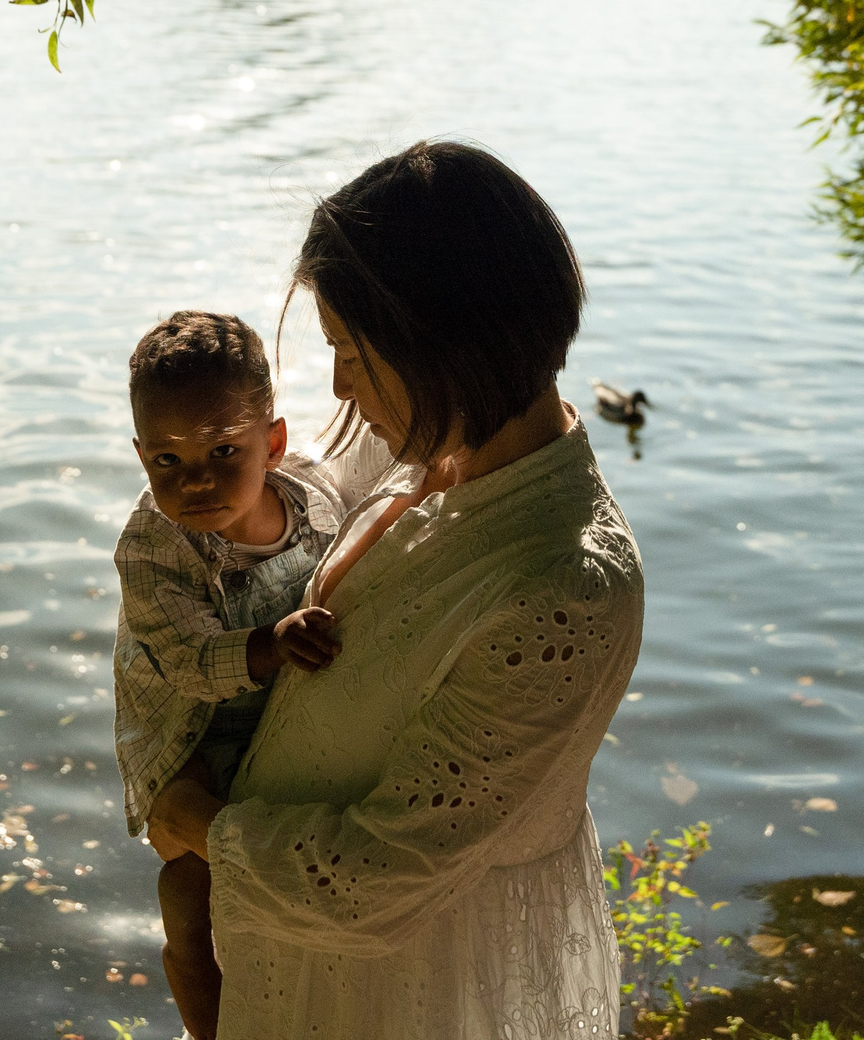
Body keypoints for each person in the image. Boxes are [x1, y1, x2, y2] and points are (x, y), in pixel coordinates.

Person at [143, 142, 645, 1039]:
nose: (337, 384)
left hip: (406, 988)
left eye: (350, 350)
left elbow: (378, 881)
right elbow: (263, 503)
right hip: (306, 959)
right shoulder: (427, 447)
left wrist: (203, 824)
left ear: (441, 343)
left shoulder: (565, 587)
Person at [110, 311, 363, 1040]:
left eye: (224, 449)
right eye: (167, 462)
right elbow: (188, 661)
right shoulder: (153, 548)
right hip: (185, 733)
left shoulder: (313, 503)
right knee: (190, 899)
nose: (197, 481)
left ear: (273, 443)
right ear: (141, 456)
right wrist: (269, 643)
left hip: (273, 712)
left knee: (269, 886)